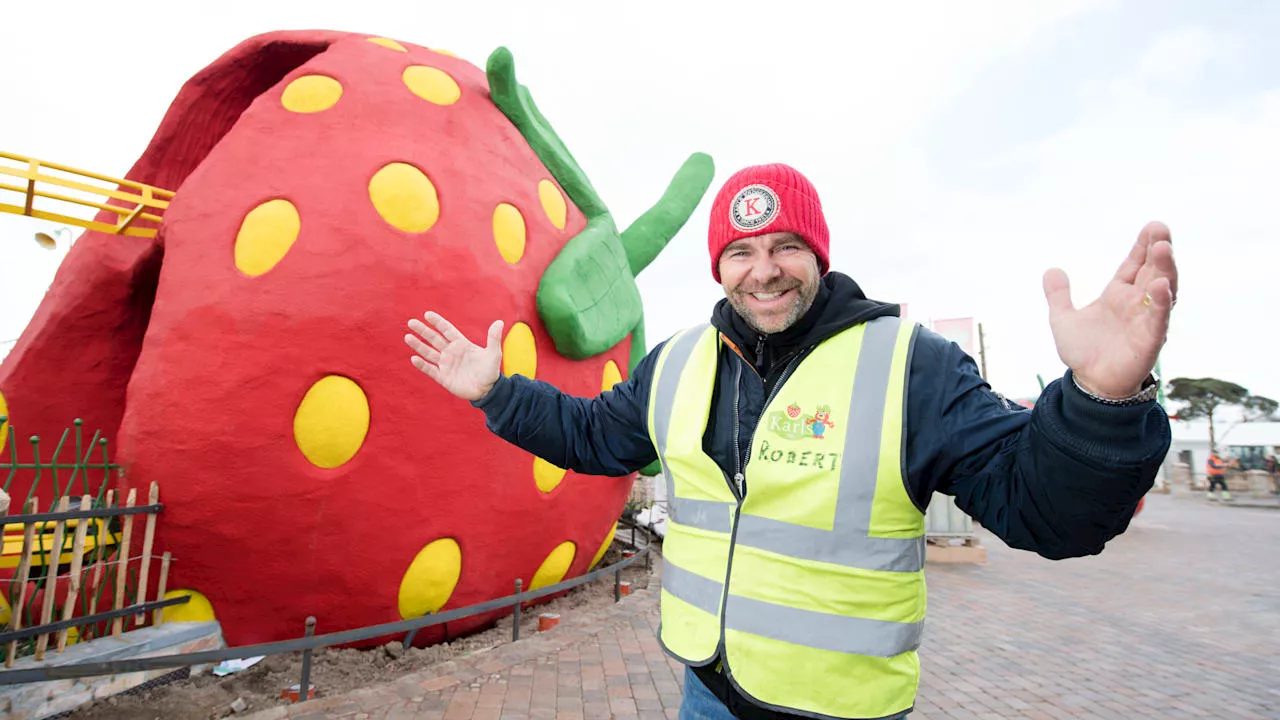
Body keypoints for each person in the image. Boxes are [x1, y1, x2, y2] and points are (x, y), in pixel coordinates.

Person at [404, 164, 1175, 720]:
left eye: (784, 247)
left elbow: (1047, 514)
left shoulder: (911, 364)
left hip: (839, 710)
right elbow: (591, 434)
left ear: (819, 255)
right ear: (718, 267)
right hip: (709, 689)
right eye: (740, 252)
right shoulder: (676, 360)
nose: (763, 271)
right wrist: (496, 392)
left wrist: (1103, 400)